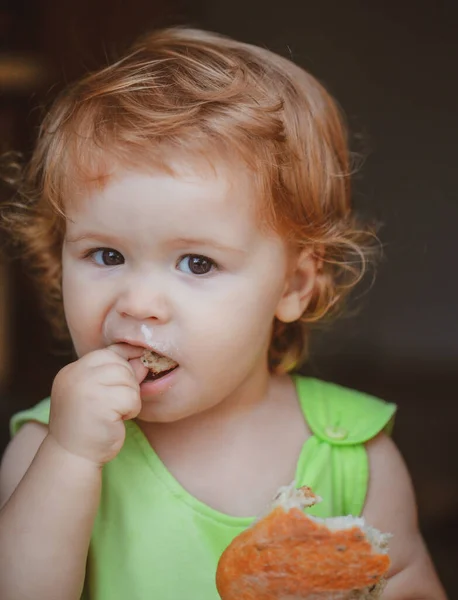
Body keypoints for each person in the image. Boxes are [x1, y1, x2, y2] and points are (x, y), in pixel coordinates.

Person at [0, 27, 446, 600]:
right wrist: (70, 456)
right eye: (106, 255)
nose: (138, 303)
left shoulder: (353, 456)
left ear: (293, 285)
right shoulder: (47, 447)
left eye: (197, 263)